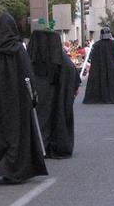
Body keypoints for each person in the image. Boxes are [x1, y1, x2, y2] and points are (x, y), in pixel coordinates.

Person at [0, 13, 48, 184]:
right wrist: (33, 95)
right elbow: (27, 74)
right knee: (15, 132)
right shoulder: (17, 49)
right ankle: (13, 169)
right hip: (15, 98)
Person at [28, 30, 80, 158]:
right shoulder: (63, 62)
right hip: (56, 98)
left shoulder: (29, 61)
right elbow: (74, 82)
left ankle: (36, 147)